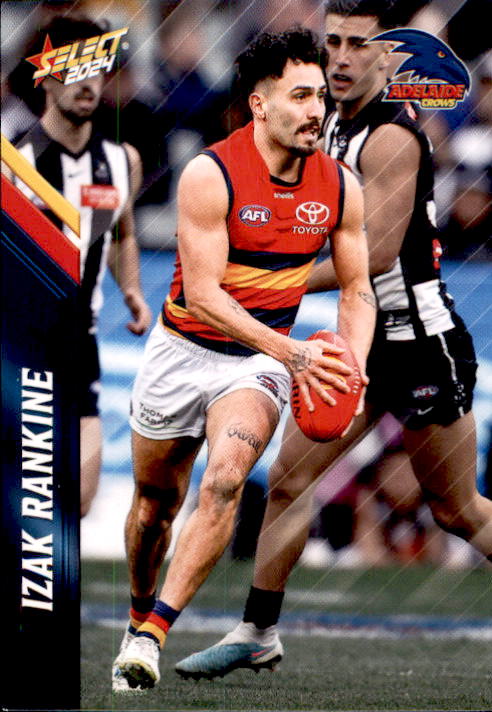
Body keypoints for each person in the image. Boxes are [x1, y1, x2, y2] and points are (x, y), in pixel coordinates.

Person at [175, 0, 492, 681]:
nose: (342, 58)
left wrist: (266, 277)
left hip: (420, 343)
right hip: (361, 340)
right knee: (289, 480)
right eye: (335, 42)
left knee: (458, 511)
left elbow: (375, 255)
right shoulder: (329, 124)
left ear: (390, 55)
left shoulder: (391, 136)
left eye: (359, 44)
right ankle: (258, 631)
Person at [112, 27, 376, 692]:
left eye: (320, 96)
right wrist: (291, 351)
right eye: (300, 96)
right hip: (183, 350)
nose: (316, 109)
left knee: (227, 479)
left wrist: (353, 365)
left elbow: (357, 290)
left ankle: (150, 636)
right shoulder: (211, 174)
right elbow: (203, 297)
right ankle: (138, 610)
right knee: (153, 508)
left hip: (252, 366)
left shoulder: (341, 186)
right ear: (260, 105)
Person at [7, 16, 152, 517]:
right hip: (22, 345)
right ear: (45, 78)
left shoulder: (121, 161)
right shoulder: (14, 161)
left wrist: (131, 288)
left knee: (79, 497)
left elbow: (122, 234)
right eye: (73, 70)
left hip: (79, 343)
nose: (88, 83)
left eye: (97, 69)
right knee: (31, 500)